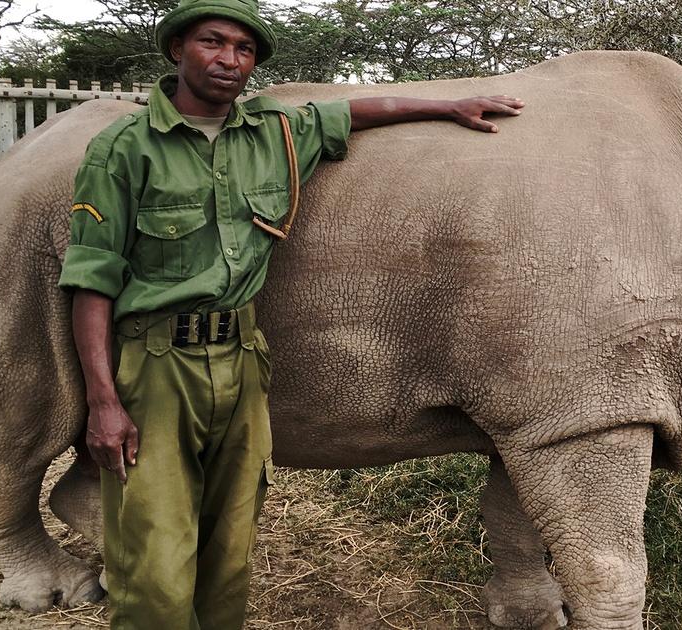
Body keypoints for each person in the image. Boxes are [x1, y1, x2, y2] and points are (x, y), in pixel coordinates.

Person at [56, 1, 524, 628]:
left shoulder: (275, 133)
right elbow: (92, 280)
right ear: (177, 50)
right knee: (156, 562)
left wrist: (446, 104)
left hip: (243, 360)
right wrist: (104, 402)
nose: (228, 60)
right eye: (212, 42)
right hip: (157, 365)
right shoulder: (124, 148)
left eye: (244, 50)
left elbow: (355, 111)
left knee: (230, 553)